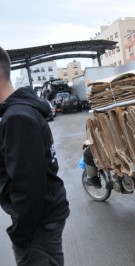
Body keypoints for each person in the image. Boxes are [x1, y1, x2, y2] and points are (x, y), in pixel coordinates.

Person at [0, 46, 70, 265]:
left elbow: (29, 185)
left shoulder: (17, 117)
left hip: (36, 228)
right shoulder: (23, 110)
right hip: (45, 218)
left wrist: (20, 234)